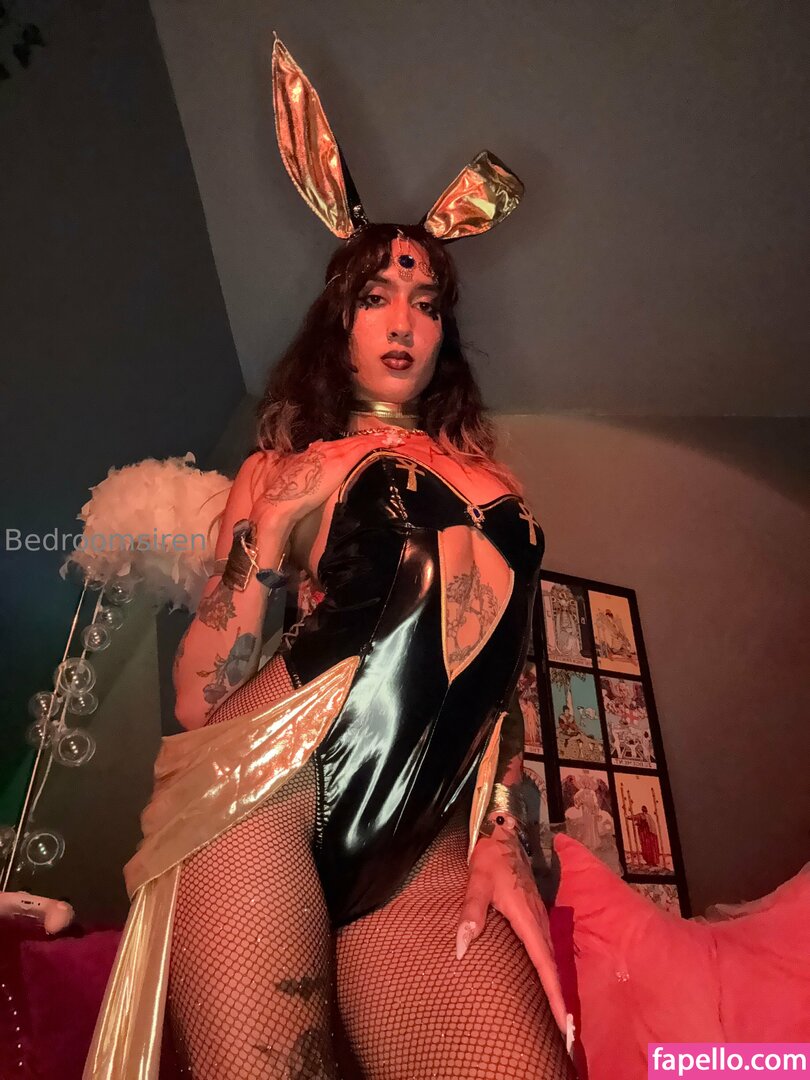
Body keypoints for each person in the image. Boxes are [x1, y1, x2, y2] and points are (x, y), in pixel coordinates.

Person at [84, 38, 574, 1080]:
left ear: (444, 333)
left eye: (425, 303)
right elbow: (197, 700)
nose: (402, 322)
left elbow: (507, 687)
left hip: (423, 839)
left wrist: (502, 828)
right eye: (375, 297)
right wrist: (263, 532)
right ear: (338, 322)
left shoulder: (499, 482)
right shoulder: (288, 467)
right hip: (266, 790)